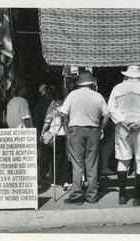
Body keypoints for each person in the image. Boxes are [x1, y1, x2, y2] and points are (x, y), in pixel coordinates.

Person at [108, 66, 140, 206]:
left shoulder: (117, 88)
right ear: (139, 75)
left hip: (123, 128)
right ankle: (137, 197)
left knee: (123, 159)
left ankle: (122, 195)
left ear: (127, 75)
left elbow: (111, 107)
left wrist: (123, 122)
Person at [61, 71, 109, 205]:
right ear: (91, 83)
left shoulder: (72, 95)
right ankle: (91, 196)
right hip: (93, 130)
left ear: (79, 83)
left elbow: (64, 114)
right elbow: (107, 116)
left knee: (77, 164)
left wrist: (67, 130)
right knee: (92, 164)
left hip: (75, 129)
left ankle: (76, 196)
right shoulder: (98, 96)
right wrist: (101, 129)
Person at [40, 87, 72, 191]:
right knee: (65, 157)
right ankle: (67, 180)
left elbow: (47, 120)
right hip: (65, 133)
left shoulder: (53, 105)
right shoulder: (67, 103)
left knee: (56, 157)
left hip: (56, 133)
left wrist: (43, 132)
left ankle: (58, 180)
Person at [33, 84, 54, 185]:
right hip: (43, 134)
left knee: (51, 156)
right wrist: (38, 137)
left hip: (52, 134)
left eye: (51, 93)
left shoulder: (53, 105)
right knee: (44, 157)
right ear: (43, 95)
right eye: (48, 93)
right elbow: (36, 123)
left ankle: (50, 177)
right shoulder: (39, 106)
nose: (51, 95)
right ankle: (43, 177)